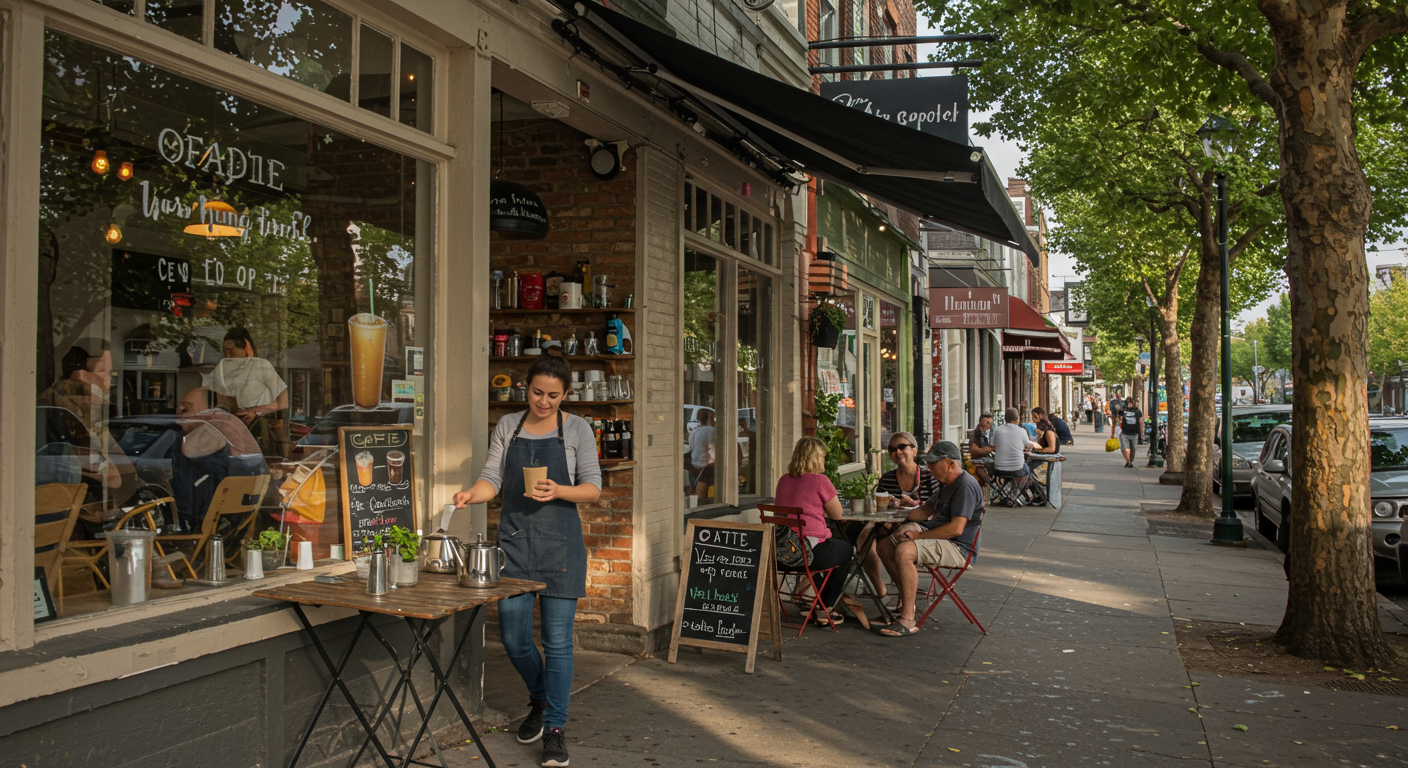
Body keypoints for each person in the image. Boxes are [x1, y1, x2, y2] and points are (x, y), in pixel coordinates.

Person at [453, 356, 601, 768]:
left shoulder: (577, 429)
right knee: (514, 639)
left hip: (561, 547)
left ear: (566, 394)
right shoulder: (508, 426)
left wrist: (559, 490)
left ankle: (554, 728)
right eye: (538, 392)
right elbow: (492, 479)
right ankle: (540, 696)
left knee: (557, 644)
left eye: (554, 395)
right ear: (527, 388)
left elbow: (593, 490)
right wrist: (471, 494)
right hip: (515, 545)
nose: (544, 401)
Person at [873, 441, 983, 637]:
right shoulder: (946, 484)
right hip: (941, 536)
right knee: (885, 545)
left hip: (958, 547)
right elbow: (925, 509)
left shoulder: (965, 485)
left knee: (905, 550)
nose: (930, 469)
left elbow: (956, 528)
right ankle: (907, 600)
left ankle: (907, 619)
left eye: (933, 464)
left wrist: (919, 536)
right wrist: (895, 520)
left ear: (950, 464)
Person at [773, 436, 854, 627]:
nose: (824, 461)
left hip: (782, 554)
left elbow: (779, 513)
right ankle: (825, 608)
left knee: (830, 549)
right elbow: (838, 514)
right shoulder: (820, 481)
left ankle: (813, 601)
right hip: (808, 555)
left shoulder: (784, 480)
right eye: (823, 457)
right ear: (816, 458)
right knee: (846, 551)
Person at [857, 432, 941, 600]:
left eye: (902, 447)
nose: (897, 452)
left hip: (920, 526)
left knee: (896, 541)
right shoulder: (887, 478)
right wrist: (883, 520)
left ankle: (905, 595)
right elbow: (879, 507)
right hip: (889, 523)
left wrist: (913, 504)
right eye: (892, 449)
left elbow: (936, 510)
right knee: (863, 537)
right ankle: (880, 588)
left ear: (915, 450)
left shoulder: (928, 476)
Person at [172, 387, 267, 532]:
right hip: (236, 514)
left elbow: (189, 449)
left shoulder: (222, 422)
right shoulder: (225, 423)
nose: (179, 411)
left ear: (210, 408)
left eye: (186, 408)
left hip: (224, 518)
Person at [204, 328, 289, 456]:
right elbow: (209, 394)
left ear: (246, 348)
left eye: (231, 350)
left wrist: (256, 411)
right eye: (225, 351)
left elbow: (283, 402)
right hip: (229, 427)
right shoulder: (221, 369)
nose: (228, 355)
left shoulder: (260, 365)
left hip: (258, 428)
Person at [991, 408, 1031, 501]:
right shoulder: (1022, 431)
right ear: (1018, 419)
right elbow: (1027, 446)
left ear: (1005, 419)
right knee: (1027, 470)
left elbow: (995, 445)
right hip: (1017, 468)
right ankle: (1016, 493)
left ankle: (1005, 493)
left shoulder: (997, 430)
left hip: (999, 468)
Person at [688, 409, 716, 499]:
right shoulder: (710, 430)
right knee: (704, 500)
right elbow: (713, 450)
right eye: (713, 418)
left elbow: (691, 448)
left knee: (695, 500)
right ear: (709, 418)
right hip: (704, 469)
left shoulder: (694, 431)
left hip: (693, 468)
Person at [968, 413, 996, 486]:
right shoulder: (975, 434)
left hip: (993, 460)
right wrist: (990, 449)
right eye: (986, 421)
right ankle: (988, 484)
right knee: (979, 467)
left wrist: (986, 449)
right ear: (980, 422)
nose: (988, 424)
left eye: (990, 422)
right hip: (979, 461)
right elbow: (974, 451)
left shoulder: (994, 433)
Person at [1119, 396, 1143, 468]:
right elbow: (1119, 416)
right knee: (1125, 447)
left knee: (1133, 449)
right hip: (1125, 432)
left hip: (1134, 432)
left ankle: (1129, 461)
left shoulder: (1137, 411)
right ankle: (1129, 462)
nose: (1129, 404)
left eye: (1131, 403)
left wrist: (1142, 432)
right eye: (1128, 403)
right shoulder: (1123, 410)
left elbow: (1141, 421)